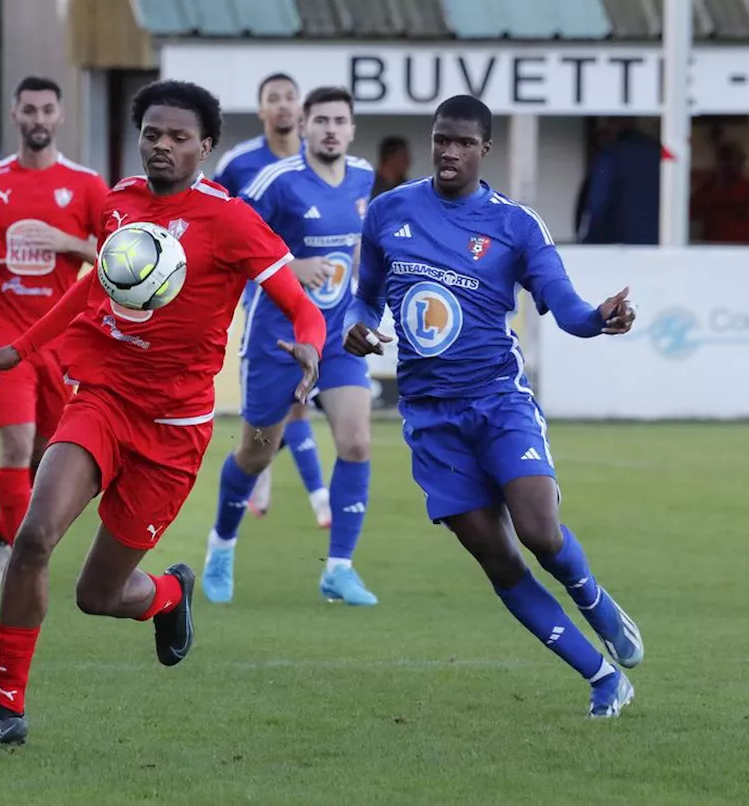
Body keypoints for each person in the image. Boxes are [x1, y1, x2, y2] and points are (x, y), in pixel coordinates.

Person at [0, 79, 326, 750]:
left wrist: (311, 347)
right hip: (103, 397)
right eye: (153, 134)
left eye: (179, 137)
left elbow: (298, 302)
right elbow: (93, 286)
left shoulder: (231, 220)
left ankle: (170, 598)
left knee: (98, 595)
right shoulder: (120, 203)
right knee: (34, 537)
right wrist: (19, 349)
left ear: (205, 146)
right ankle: (5, 709)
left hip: (172, 432)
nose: (163, 146)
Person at [344, 95, 644, 718]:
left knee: (538, 531)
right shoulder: (390, 211)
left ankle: (598, 604)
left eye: (461, 142)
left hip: (498, 402)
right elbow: (364, 295)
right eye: (440, 139)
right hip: (430, 420)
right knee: (500, 560)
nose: (448, 151)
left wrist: (598, 319)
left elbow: (562, 305)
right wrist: (356, 325)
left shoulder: (516, 225)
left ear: (485, 149)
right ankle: (601, 678)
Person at [202, 86, 377, 606]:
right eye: (319, 119)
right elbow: (232, 242)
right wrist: (288, 267)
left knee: (357, 442)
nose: (329, 128)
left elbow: (364, 248)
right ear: (303, 126)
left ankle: (339, 568)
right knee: (255, 455)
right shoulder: (275, 182)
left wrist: (367, 311)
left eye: (339, 120)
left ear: (351, 129)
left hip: (340, 336)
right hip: (278, 337)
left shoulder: (365, 178)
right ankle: (222, 546)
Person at [0, 76, 109, 586]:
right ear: (15, 116)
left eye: (47, 110)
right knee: (16, 445)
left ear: (61, 116)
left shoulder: (88, 185)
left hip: (60, 341)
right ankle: (18, 554)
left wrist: (67, 241)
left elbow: (113, 258)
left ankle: (1, 531)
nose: (38, 119)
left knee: (45, 455)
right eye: (29, 110)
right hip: (6, 341)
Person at [213, 72, 330, 529]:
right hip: (261, 296)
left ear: (300, 109)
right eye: (272, 99)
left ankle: (304, 491)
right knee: (292, 403)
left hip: (318, 299)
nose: (282, 105)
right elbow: (219, 218)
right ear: (261, 110)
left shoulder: (317, 162)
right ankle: (306, 492)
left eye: (289, 98)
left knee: (295, 402)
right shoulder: (241, 163)